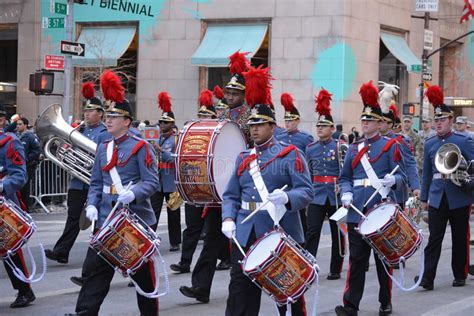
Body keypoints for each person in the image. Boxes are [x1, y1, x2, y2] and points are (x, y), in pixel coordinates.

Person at [221, 65, 314, 316]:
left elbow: (306, 191)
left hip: (279, 229)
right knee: (240, 291)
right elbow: (230, 194)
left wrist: (287, 197)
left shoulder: (290, 154)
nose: (254, 129)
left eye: (260, 125)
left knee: (288, 292)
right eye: (252, 125)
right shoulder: (243, 157)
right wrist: (228, 217)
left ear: (273, 126)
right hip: (245, 231)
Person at [67, 70, 160, 316]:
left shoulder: (141, 147)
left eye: (114, 116)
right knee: (94, 271)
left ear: (127, 121)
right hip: (107, 219)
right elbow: (96, 182)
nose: (108, 120)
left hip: (133, 220)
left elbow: (152, 182)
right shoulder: (103, 147)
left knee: (143, 278)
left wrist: (134, 194)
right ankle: (84, 313)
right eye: (107, 116)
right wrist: (92, 204)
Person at [335, 81, 406, 316]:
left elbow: (402, 176)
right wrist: (345, 192)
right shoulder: (354, 149)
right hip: (357, 211)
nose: (365, 124)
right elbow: (345, 177)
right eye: (363, 120)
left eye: (369, 121)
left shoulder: (389, 146)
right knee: (356, 261)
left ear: (378, 123)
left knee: (383, 261)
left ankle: (385, 301)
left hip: (380, 211)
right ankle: (350, 305)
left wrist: (393, 182)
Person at [415, 85, 473, 290]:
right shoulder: (430, 143)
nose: (438, 123)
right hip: (437, 195)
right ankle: (427, 277)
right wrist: (423, 199)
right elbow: (427, 175)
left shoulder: (464, 141)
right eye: (436, 120)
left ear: (450, 121)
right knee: (434, 239)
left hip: (459, 194)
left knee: (459, 237)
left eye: (442, 120)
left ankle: (460, 274)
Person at [44, 82, 108, 265]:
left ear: (100, 114)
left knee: (97, 220)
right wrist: (64, 149)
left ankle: (98, 255)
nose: (86, 114)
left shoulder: (104, 133)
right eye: (86, 111)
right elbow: (67, 151)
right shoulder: (78, 130)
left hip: (95, 183)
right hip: (78, 182)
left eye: (91, 111)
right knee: (72, 218)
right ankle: (61, 252)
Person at [305, 88, 344, 280]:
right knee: (312, 232)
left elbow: (345, 171)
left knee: (338, 233)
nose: (319, 129)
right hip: (317, 193)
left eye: (324, 126)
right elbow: (307, 172)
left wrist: (343, 187)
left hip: (335, 194)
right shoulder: (310, 148)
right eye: (318, 126)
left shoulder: (339, 146)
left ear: (332, 129)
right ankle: (310, 265)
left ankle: (335, 269)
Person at [0, 104, 36, 308]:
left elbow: (20, 176)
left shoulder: (10, 142)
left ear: (2, 120)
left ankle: (25, 290)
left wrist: (2, 185)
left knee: (10, 249)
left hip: (3, 202)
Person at [151, 92, 181, 251]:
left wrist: (161, 150)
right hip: (158, 181)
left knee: (173, 213)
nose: (162, 125)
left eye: (166, 122)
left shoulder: (176, 139)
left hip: (171, 182)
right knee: (153, 212)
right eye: (161, 122)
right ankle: (150, 239)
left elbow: (174, 158)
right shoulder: (157, 138)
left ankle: (175, 242)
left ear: (172, 123)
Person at [220, 51, 252, 145]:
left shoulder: (250, 114)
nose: (230, 97)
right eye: (228, 93)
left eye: (235, 94)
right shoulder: (223, 114)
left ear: (244, 95)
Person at [16, 117, 42, 209]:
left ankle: (26, 208)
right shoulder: (18, 136)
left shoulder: (30, 136)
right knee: (20, 188)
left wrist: (26, 158)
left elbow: (37, 150)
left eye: (20, 124)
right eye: (17, 124)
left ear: (25, 125)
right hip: (20, 166)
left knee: (25, 188)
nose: (17, 126)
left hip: (28, 166)